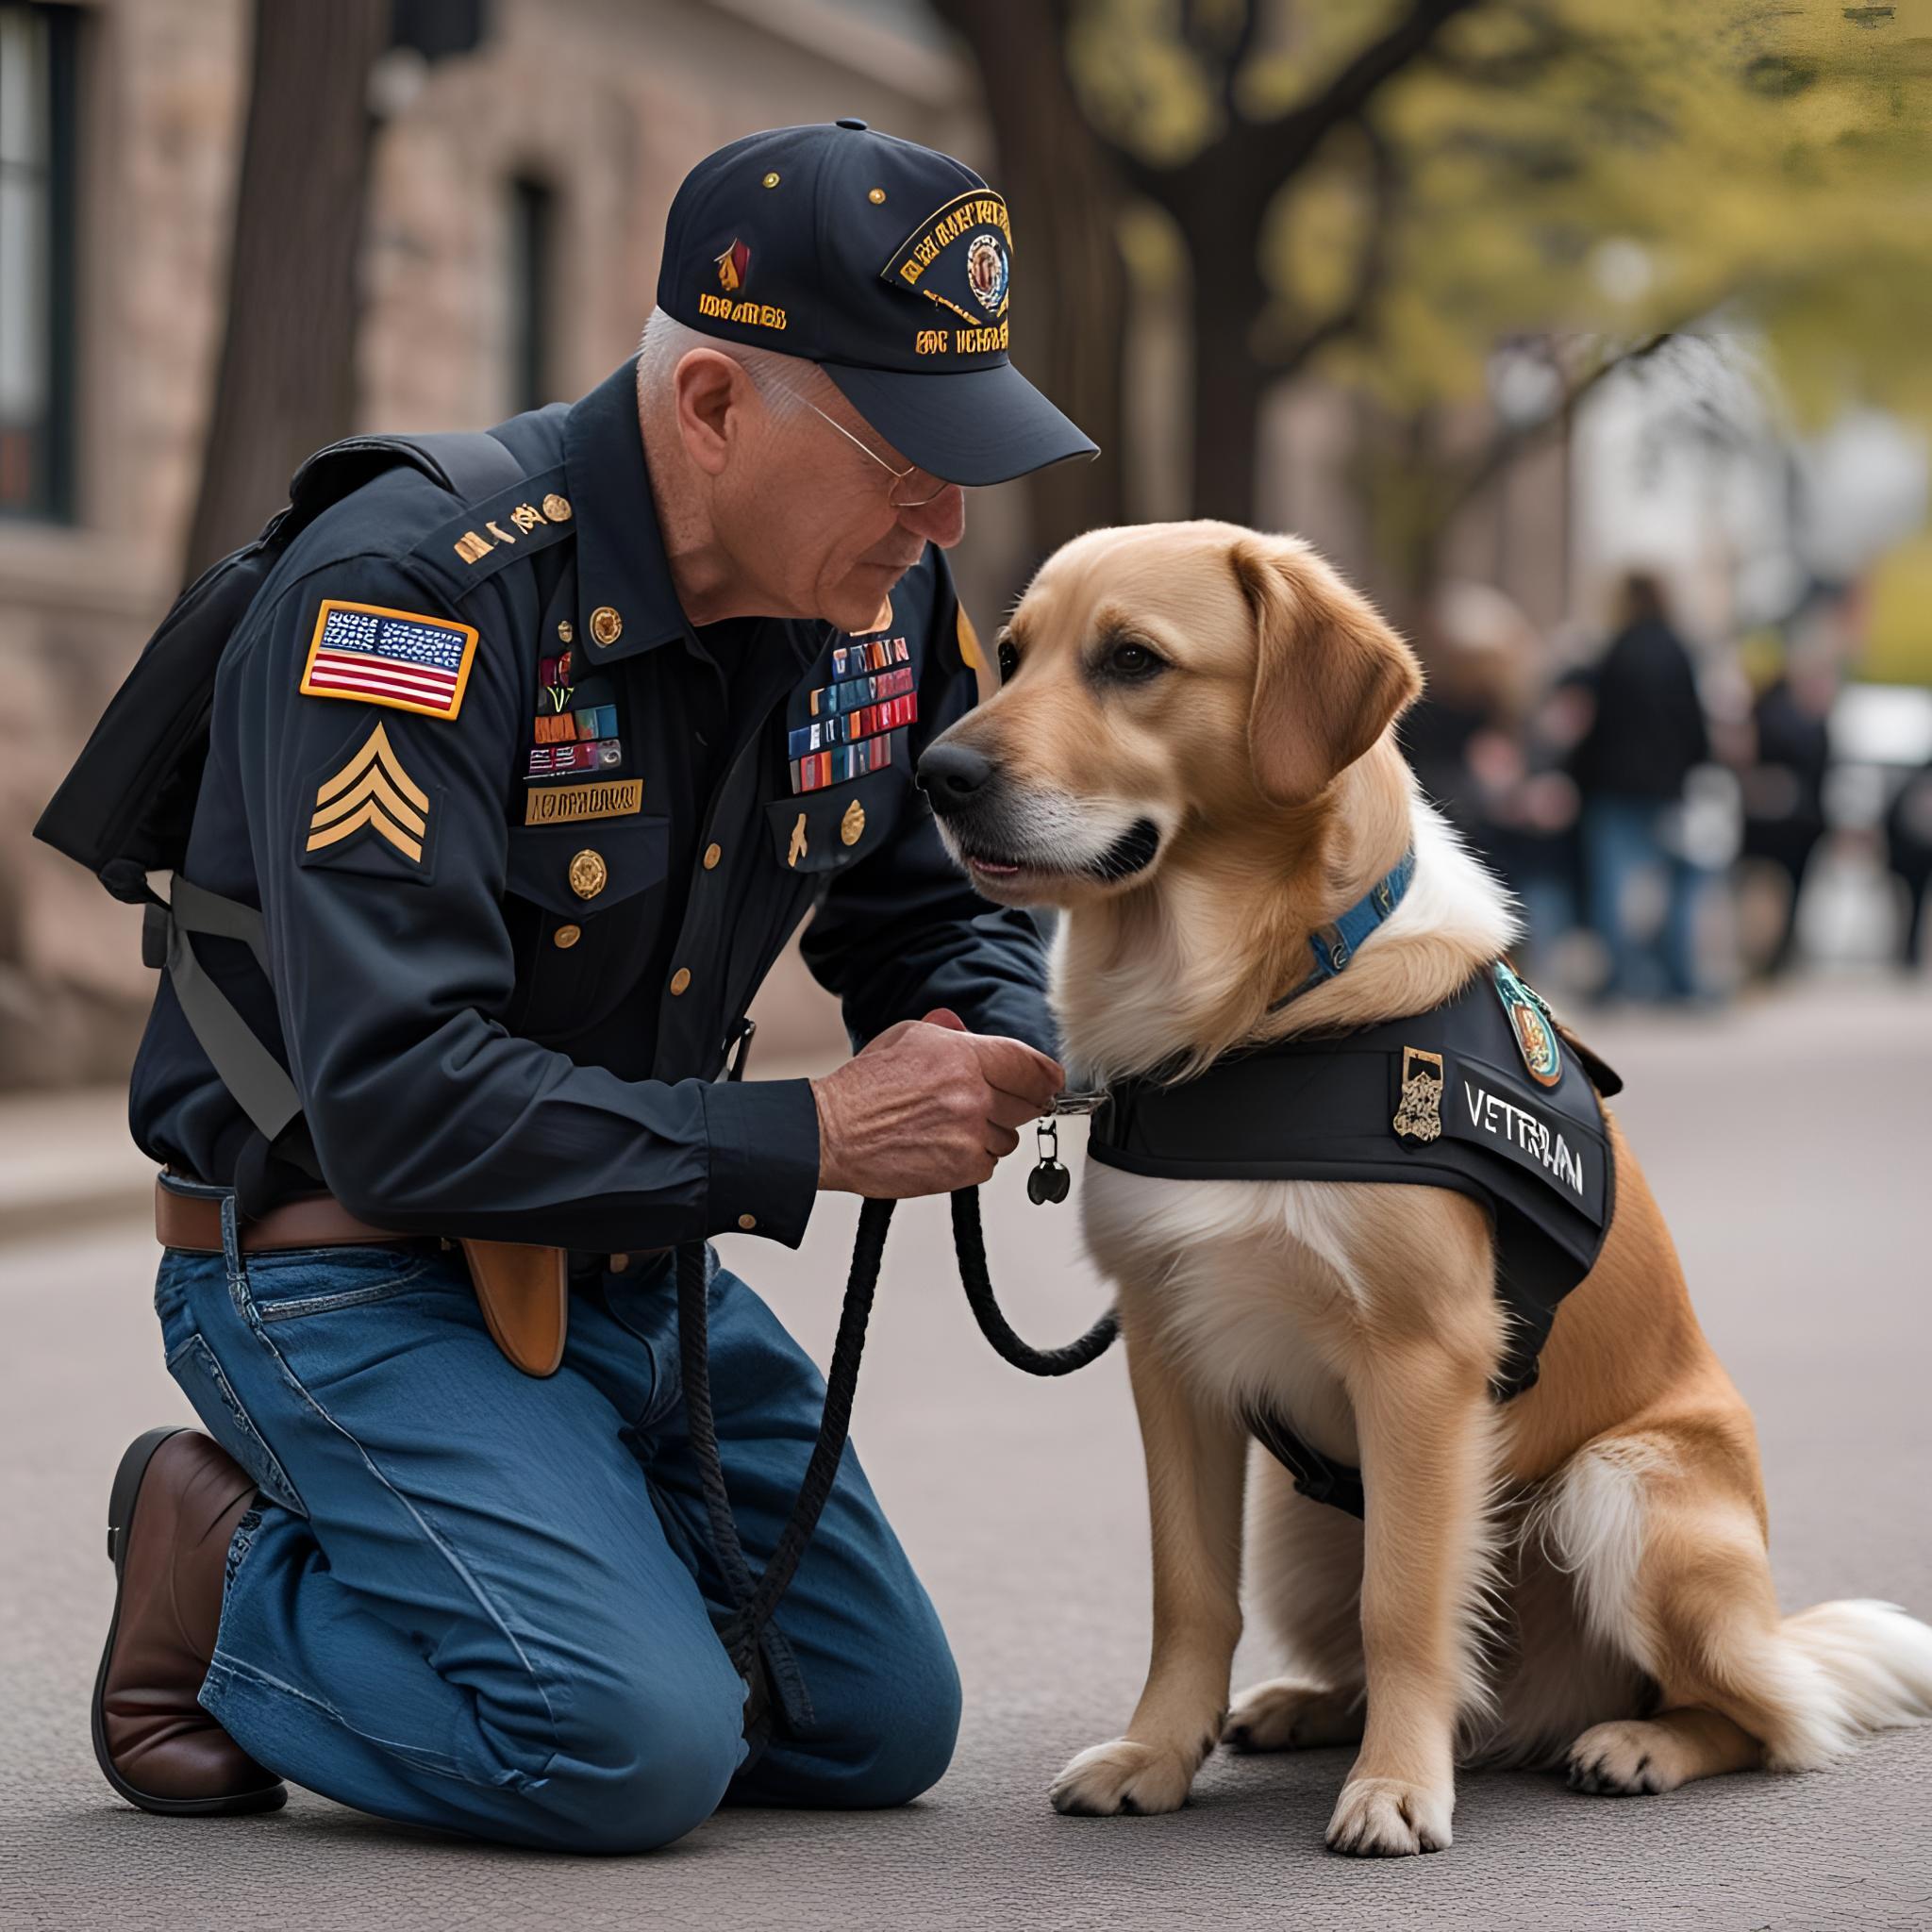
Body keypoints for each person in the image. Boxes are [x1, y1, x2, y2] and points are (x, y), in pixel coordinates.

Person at [92, 121, 1095, 1854]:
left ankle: (553, 1565)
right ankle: (224, 1564)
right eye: (901, 454)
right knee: (621, 1750)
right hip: (345, 1264)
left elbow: (922, 911)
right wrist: (813, 1134)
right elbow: (397, 1099)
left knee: (874, 1720)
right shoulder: (416, 598)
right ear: (710, 407)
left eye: (965, 458)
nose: (944, 515)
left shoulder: (867, 598)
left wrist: (997, 1022)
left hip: (631, 1264)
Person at [1568, 572, 1712, 1001]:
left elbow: (1599, 725)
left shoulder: (1616, 651)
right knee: (1673, 884)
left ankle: (1619, 978)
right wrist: (1693, 770)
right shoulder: (1677, 651)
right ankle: (1677, 978)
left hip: (1614, 785)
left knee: (1613, 883)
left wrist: (1580, 776)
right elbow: (1692, 721)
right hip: (1667, 788)